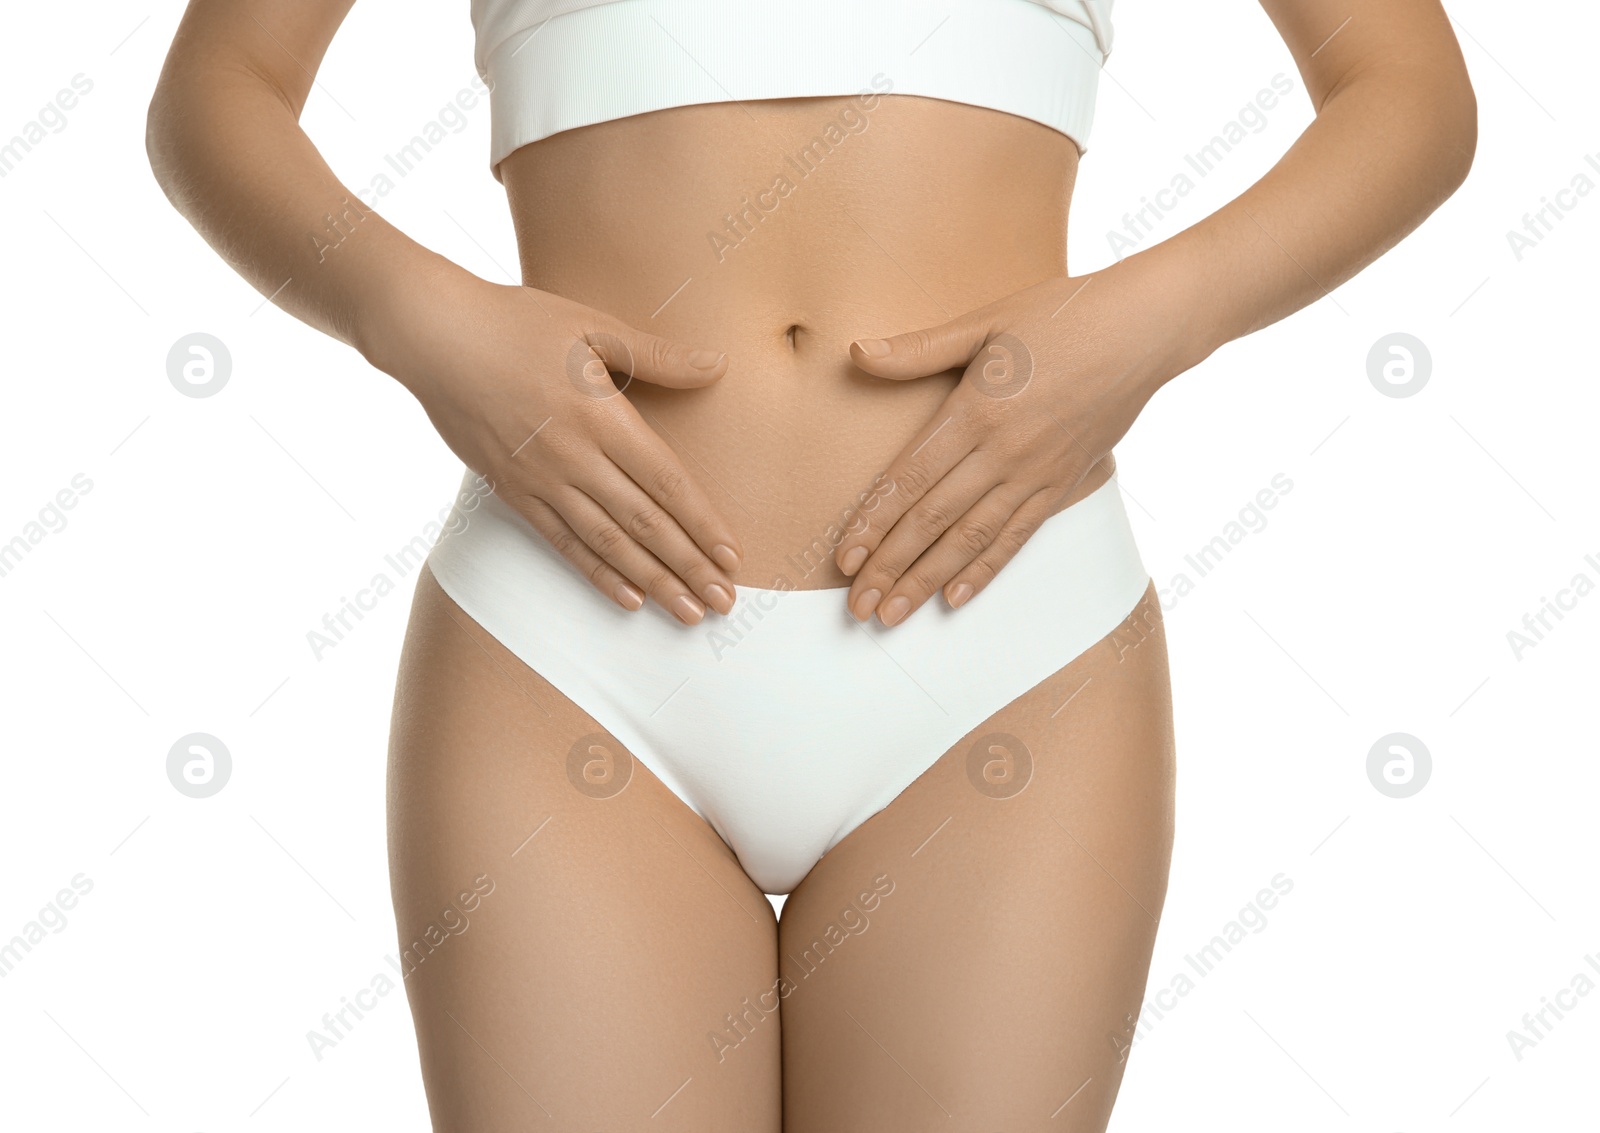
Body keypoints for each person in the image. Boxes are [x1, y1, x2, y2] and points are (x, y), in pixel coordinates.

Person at [147, 0, 1476, 1127]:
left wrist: (1152, 322)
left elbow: (1408, 92)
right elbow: (218, 89)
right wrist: (420, 322)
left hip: (1009, 644)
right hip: (568, 639)